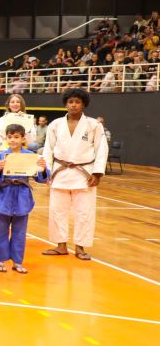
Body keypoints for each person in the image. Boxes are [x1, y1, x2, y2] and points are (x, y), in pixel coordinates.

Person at [42, 88, 108, 261]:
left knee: (84, 212)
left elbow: (101, 149)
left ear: (83, 104)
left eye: (77, 102)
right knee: (57, 210)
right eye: (70, 101)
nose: (73, 105)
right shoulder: (55, 124)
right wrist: (46, 171)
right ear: (66, 104)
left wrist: (98, 173)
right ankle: (60, 245)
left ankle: (80, 247)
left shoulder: (94, 125)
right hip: (59, 172)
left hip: (84, 173)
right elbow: (48, 149)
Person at [0, 124, 49, 273]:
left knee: (20, 232)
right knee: (2, 230)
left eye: (16, 137)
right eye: (10, 137)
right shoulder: (1, 156)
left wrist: (43, 168)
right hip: (4, 195)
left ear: (23, 138)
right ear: (6, 138)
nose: (13, 140)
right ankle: (0, 260)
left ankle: (17, 262)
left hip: (22, 196)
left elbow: (42, 179)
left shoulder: (31, 155)